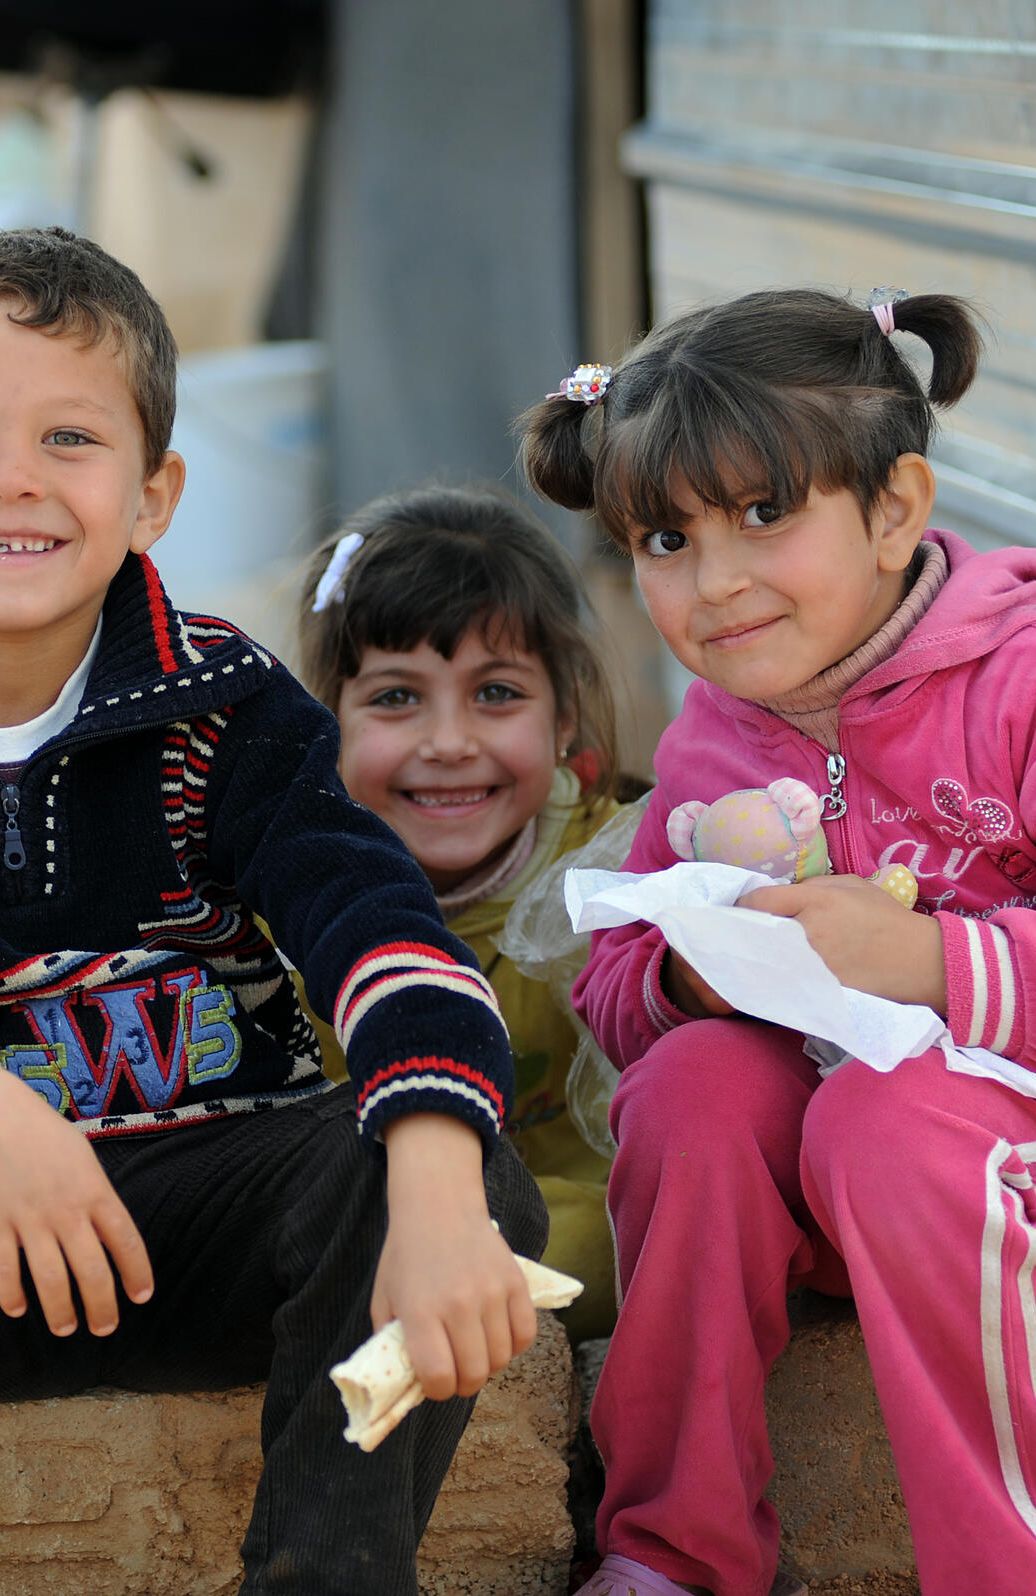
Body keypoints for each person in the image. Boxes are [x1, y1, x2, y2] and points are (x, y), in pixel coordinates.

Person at [0, 226, 549, 1596]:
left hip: (209, 1233)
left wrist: (446, 1181)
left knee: (445, 1161)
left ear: (156, 495)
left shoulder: (223, 700)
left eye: (71, 441)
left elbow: (376, 921)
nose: (11, 481)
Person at [520, 288, 1036, 1596]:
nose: (717, 580)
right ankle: (673, 1556)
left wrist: (936, 965)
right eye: (665, 538)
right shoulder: (712, 739)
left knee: (894, 1123)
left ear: (898, 509)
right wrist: (693, 967)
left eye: (764, 515)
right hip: (840, 1161)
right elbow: (625, 1004)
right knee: (686, 1092)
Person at [295, 486, 640, 1340]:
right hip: (374, 1223)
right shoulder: (280, 907)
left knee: (641, 1242)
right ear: (324, 721)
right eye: (396, 698)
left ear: (564, 718)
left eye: (495, 694)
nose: (448, 742)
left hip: (577, 1232)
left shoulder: (624, 882)